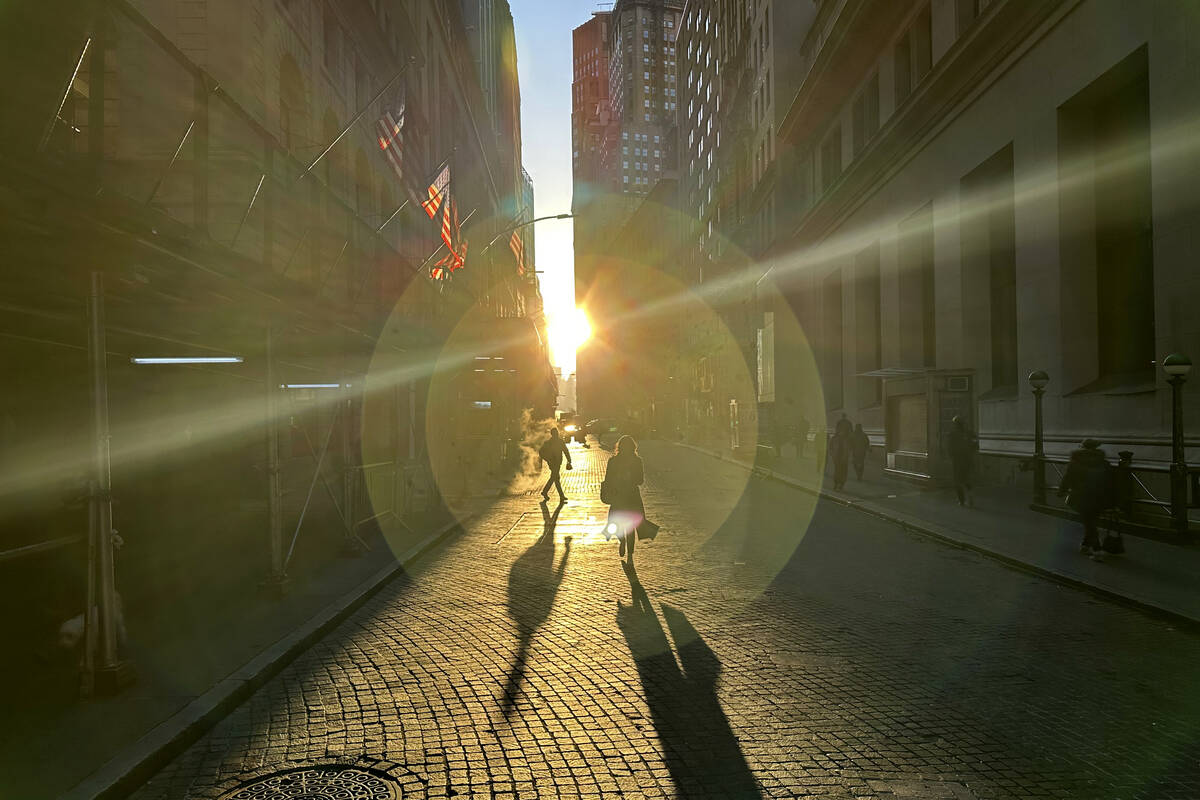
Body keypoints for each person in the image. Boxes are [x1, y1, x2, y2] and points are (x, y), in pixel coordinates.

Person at [1058, 439, 1114, 560]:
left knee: (1089, 523)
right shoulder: (1103, 462)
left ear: (1082, 447)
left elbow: (1067, 479)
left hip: (1082, 496)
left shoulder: (1075, 462)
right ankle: (1085, 545)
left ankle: (1097, 550)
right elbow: (1110, 481)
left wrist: (1061, 492)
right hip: (1100, 497)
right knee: (1091, 521)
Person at [604, 435, 645, 564]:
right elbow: (640, 480)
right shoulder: (637, 461)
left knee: (617, 521)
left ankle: (622, 541)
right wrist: (630, 479)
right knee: (631, 526)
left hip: (618, 496)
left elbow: (608, 479)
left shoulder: (613, 461)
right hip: (632, 496)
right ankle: (630, 556)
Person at [946, 415, 977, 507]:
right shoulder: (970, 433)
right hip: (968, 459)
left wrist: (951, 456)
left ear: (955, 424)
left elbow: (949, 448)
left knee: (957, 480)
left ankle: (961, 501)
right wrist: (972, 452)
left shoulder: (952, 434)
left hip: (957, 460)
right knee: (967, 478)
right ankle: (970, 495)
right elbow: (975, 443)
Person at [539, 427, 572, 503]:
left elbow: (565, 450)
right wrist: (548, 459)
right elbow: (541, 452)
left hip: (556, 463)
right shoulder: (552, 442)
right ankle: (559, 495)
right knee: (555, 478)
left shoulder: (557, 442)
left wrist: (569, 460)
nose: (556, 434)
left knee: (555, 478)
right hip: (553, 463)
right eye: (555, 433)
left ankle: (546, 492)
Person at [829, 421, 851, 491]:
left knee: (843, 471)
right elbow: (830, 448)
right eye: (840, 430)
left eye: (842, 430)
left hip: (844, 458)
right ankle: (836, 484)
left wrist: (847, 456)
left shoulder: (846, 439)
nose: (841, 432)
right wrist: (833, 456)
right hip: (837, 457)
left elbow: (848, 449)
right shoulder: (834, 438)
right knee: (837, 471)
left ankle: (841, 484)